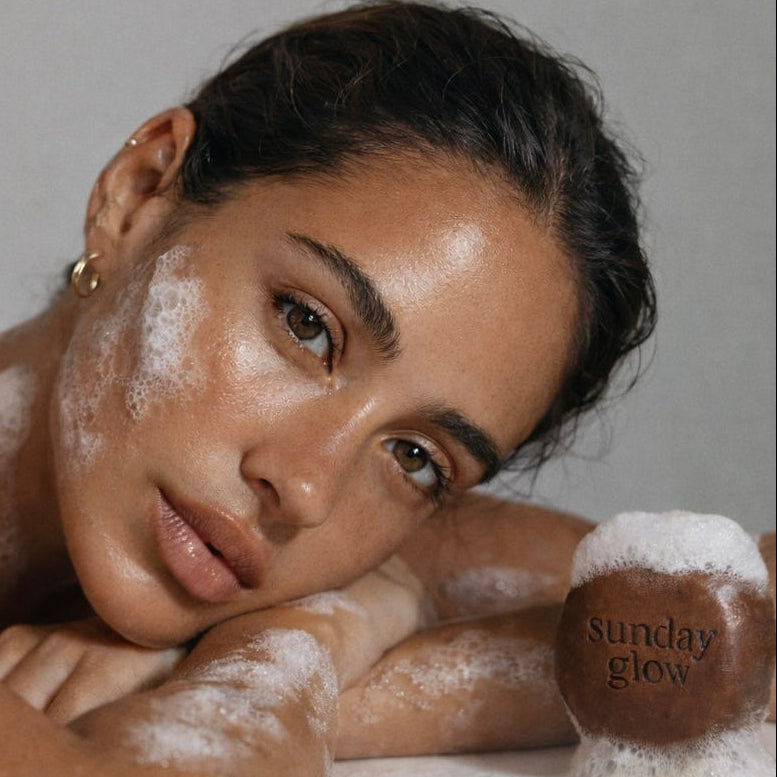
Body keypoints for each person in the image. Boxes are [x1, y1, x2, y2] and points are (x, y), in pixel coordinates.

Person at [0, 1, 771, 774]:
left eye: (413, 456)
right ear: (137, 197)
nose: (306, 489)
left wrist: (323, 625)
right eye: (306, 325)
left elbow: (730, 623)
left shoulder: (300, 528)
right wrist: (292, 650)